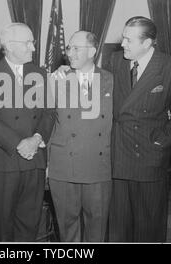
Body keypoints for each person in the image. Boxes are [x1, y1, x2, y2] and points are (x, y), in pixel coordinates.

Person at [108, 16, 171, 242]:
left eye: (128, 40)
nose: (122, 44)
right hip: (118, 154)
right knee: (118, 223)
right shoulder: (115, 61)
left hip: (149, 158)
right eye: (123, 38)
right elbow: (95, 88)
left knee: (148, 224)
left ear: (147, 44)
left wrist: (159, 142)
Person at [0, 23, 56, 241]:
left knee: (29, 226)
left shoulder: (40, 73)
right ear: (10, 46)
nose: (33, 48)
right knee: (3, 226)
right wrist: (19, 144)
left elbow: (49, 112)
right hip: (5, 160)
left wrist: (36, 138)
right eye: (28, 43)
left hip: (35, 160)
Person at [48, 31, 113, 242]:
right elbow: (45, 122)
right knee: (67, 228)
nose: (70, 53)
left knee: (97, 226)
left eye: (77, 48)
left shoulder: (110, 80)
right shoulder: (55, 80)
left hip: (98, 166)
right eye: (68, 48)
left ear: (92, 51)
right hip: (65, 165)